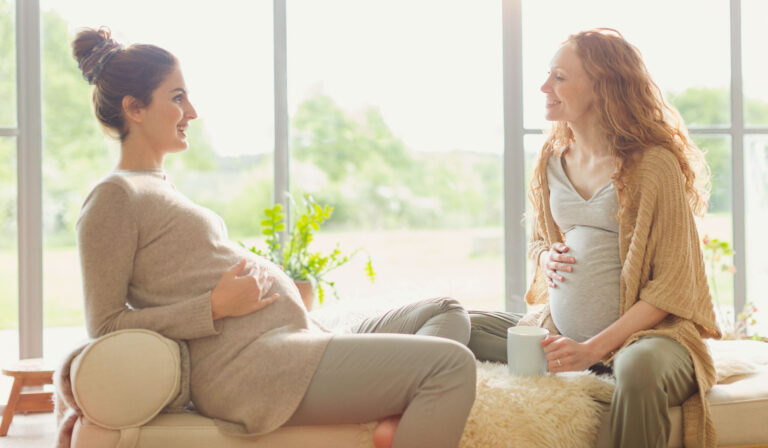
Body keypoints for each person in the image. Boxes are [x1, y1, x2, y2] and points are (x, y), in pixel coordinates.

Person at [72, 27, 476, 448]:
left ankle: (397, 408)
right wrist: (213, 307)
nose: (191, 111)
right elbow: (105, 323)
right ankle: (402, 402)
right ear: (134, 108)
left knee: (446, 311)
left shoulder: (156, 185)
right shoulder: (114, 197)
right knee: (451, 366)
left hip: (296, 339)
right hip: (254, 369)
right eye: (177, 98)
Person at [466, 29, 721, 448]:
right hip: (561, 334)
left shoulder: (653, 165)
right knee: (461, 325)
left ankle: (598, 360)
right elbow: (539, 241)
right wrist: (545, 257)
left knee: (638, 369)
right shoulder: (551, 161)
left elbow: (672, 286)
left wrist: (592, 350)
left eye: (559, 77)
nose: (544, 87)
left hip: (650, 341)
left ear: (602, 86)